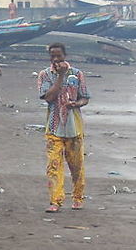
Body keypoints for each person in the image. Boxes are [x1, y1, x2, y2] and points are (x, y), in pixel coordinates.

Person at [37, 43, 90, 213]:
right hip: (53, 127)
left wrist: (76, 103)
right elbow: (49, 97)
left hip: (74, 127)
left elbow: (85, 98)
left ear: (65, 55)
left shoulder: (77, 74)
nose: (56, 59)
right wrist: (60, 77)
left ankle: (78, 197)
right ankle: (55, 200)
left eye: (59, 56)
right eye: (52, 56)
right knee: (54, 165)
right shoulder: (45, 75)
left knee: (76, 165)